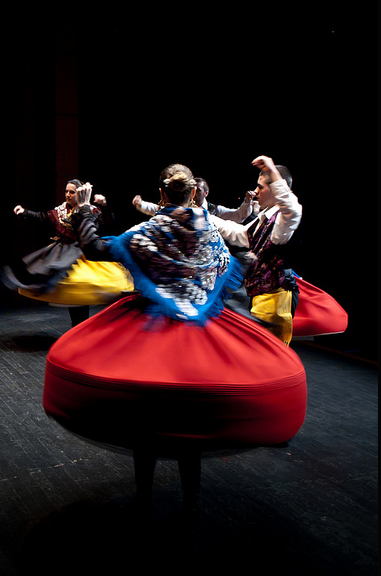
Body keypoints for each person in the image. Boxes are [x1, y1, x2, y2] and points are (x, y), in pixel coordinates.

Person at [59, 163, 299, 520]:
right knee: (189, 420)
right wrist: (245, 261)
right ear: (192, 194)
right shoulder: (207, 230)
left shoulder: (150, 229)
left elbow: (95, 247)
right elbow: (233, 262)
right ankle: (190, 501)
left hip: (150, 336)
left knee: (146, 418)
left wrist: (82, 210)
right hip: (195, 338)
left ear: (161, 194)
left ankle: (144, 498)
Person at [2, 178, 131, 327]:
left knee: (81, 291)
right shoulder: (60, 211)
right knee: (70, 293)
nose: (68, 195)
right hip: (64, 254)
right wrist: (25, 212)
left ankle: (82, 327)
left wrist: (104, 205)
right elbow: (42, 216)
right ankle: (77, 326)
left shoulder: (90, 210)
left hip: (84, 256)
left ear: (79, 193)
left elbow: (108, 222)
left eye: (72, 192)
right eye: (66, 191)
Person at [209, 156, 302, 344]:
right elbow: (238, 232)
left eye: (261, 187)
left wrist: (272, 170)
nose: (255, 191)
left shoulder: (283, 221)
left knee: (267, 363)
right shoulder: (264, 218)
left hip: (275, 301)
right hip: (262, 297)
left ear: (276, 189)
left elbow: (292, 209)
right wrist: (203, 216)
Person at [132, 177, 256, 223]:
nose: (195, 194)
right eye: (193, 190)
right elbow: (159, 210)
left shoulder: (215, 210)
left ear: (206, 193)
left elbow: (238, 216)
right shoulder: (182, 208)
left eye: (199, 191)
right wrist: (141, 204)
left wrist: (247, 202)